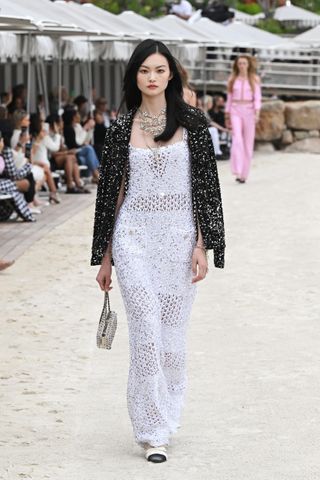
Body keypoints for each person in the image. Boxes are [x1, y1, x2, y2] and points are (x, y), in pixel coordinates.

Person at [91, 40, 225, 463]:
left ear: (171, 75)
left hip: (180, 239)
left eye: (159, 70)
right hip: (133, 237)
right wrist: (107, 257)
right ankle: (151, 431)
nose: (152, 77)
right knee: (146, 330)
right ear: (135, 75)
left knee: (172, 341)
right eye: (144, 70)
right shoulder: (120, 127)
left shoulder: (194, 125)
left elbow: (206, 190)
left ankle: (167, 415)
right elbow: (112, 195)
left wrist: (203, 245)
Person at [225, 55, 261, 183]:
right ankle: (237, 169)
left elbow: (257, 98)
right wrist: (227, 114)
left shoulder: (254, 79)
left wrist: (257, 113)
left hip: (249, 111)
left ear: (248, 65)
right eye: (240, 63)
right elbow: (229, 99)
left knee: (248, 143)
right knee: (237, 139)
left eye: (244, 63)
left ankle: (244, 175)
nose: (242, 66)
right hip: (235, 110)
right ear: (237, 65)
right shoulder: (232, 79)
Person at [47, 114, 90, 194]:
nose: (62, 123)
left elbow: (60, 148)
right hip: (51, 160)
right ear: (55, 124)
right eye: (61, 121)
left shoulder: (60, 134)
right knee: (70, 157)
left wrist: (65, 150)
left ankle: (77, 184)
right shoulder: (49, 135)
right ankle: (70, 184)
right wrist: (67, 152)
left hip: (58, 158)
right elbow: (52, 153)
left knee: (72, 157)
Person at [29, 114, 61, 204]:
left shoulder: (30, 136)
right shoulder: (41, 136)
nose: (44, 124)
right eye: (42, 122)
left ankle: (52, 193)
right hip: (38, 164)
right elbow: (55, 147)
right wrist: (58, 134)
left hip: (38, 164)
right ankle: (52, 193)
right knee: (46, 170)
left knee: (46, 170)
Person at [63, 109, 100, 183]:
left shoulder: (78, 126)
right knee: (89, 149)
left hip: (80, 151)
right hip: (74, 151)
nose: (79, 116)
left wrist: (90, 129)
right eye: (77, 114)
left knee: (88, 151)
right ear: (73, 117)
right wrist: (85, 128)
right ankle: (96, 174)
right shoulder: (68, 129)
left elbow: (86, 140)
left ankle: (96, 174)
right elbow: (78, 142)